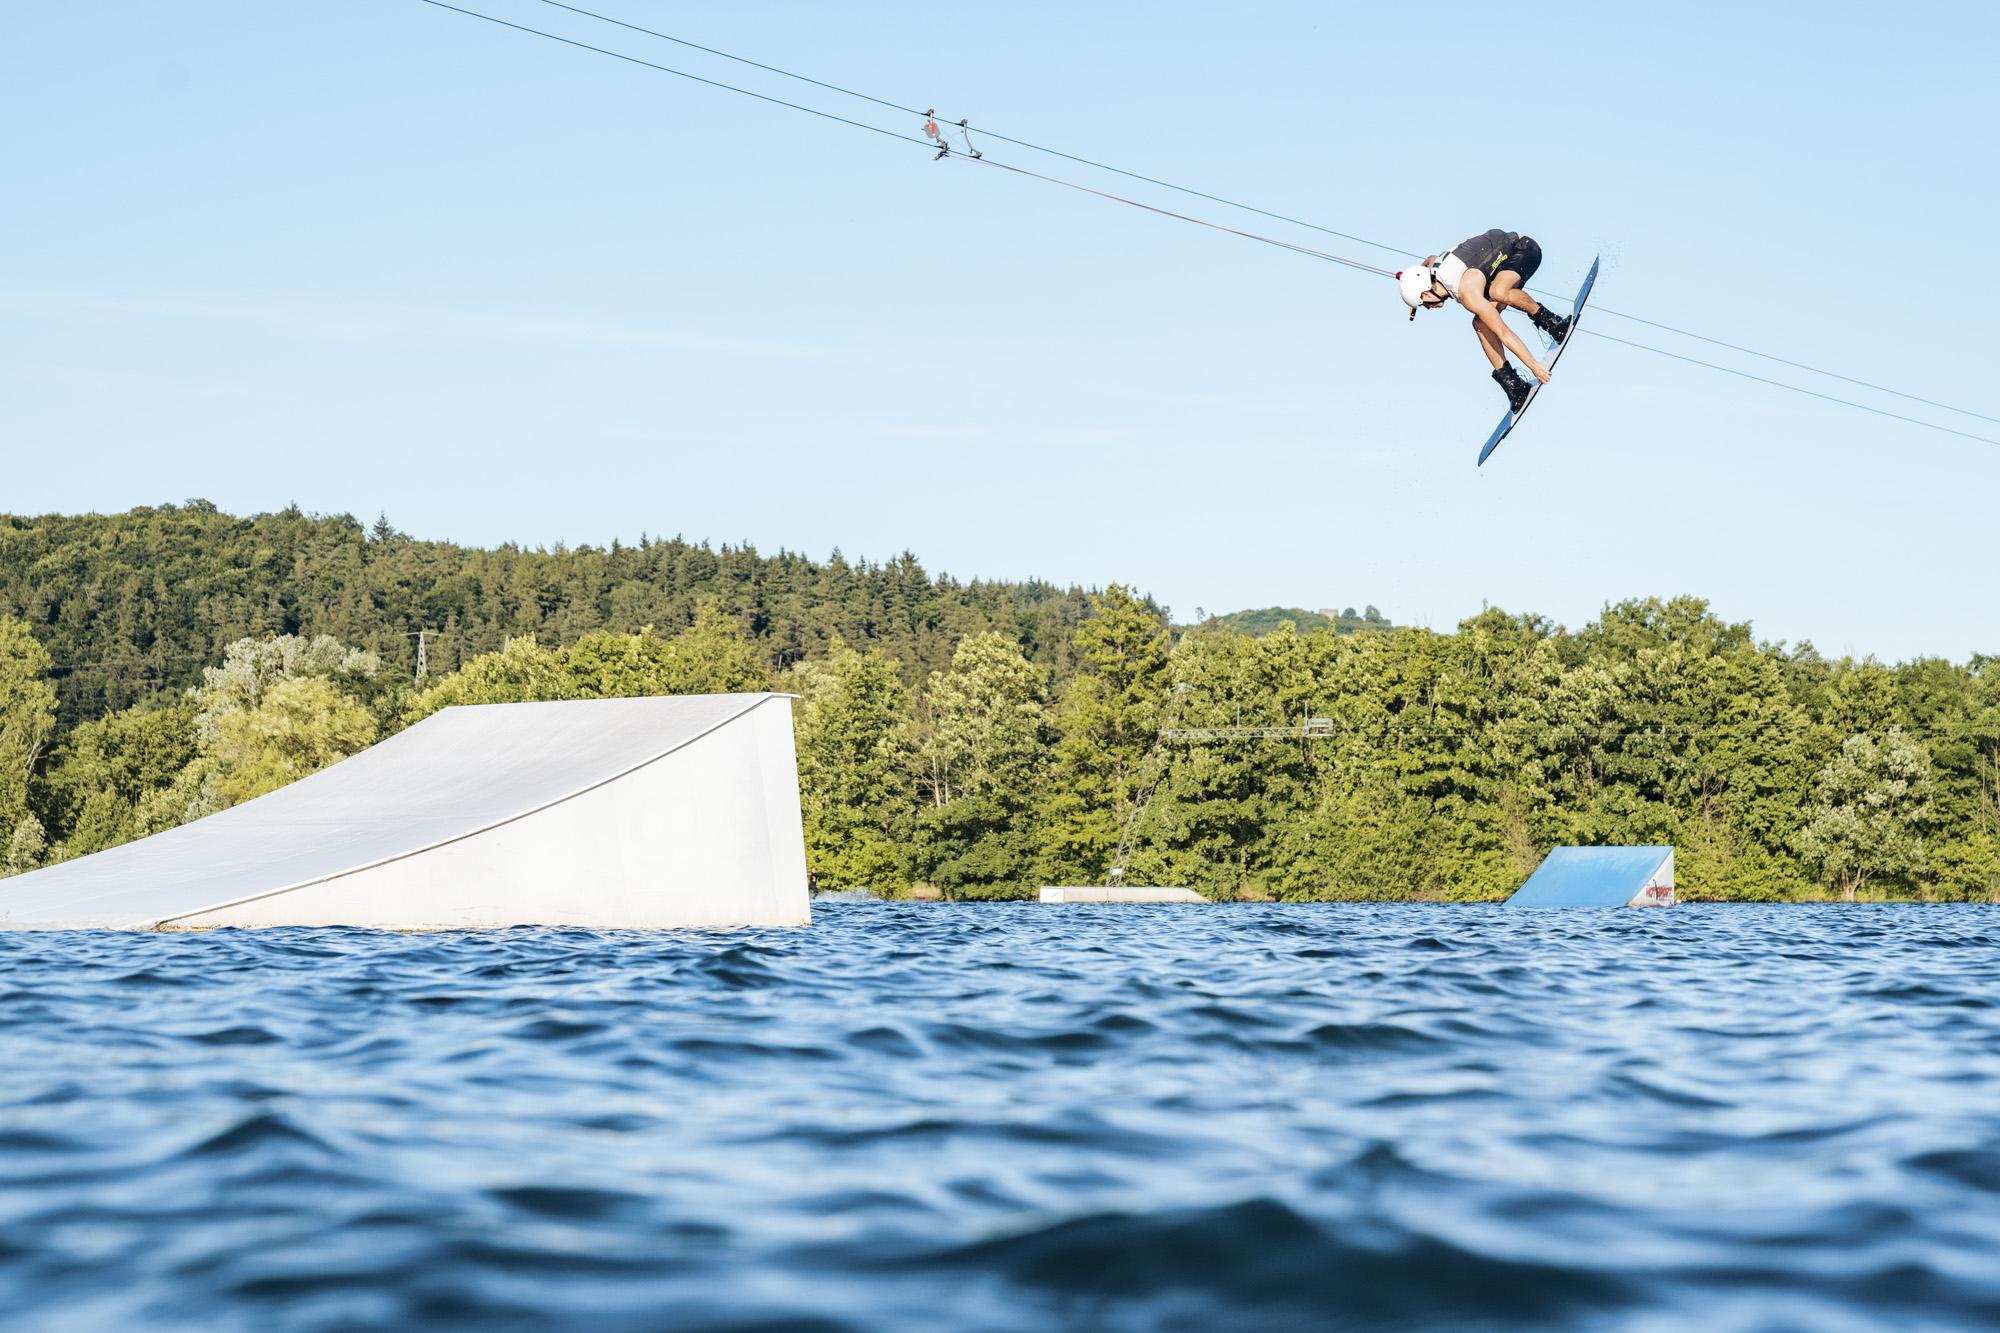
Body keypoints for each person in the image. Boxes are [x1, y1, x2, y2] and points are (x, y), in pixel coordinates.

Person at [1397, 230, 1573, 412]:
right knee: (1480, 324)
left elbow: (1502, 331)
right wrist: (1412, 297)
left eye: (1423, 304)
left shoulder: (1467, 293)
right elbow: (1428, 260)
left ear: (1426, 293)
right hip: (1502, 264)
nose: (1427, 308)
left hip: (1524, 249)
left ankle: (1553, 323)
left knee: (1498, 292)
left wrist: (1534, 366)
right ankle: (1514, 386)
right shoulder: (1434, 269)